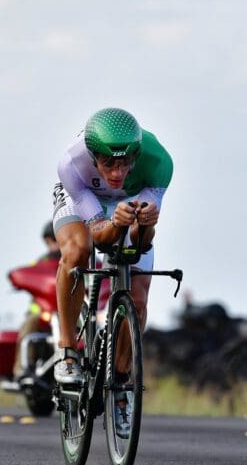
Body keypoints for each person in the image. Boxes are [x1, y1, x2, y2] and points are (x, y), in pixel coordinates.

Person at [52, 107, 172, 436]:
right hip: (84, 200)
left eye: (125, 163)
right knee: (78, 252)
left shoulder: (159, 162)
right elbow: (99, 234)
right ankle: (67, 352)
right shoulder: (72, 163)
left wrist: (142, 225)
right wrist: (114, 222)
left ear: (136, 155)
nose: (118, 172)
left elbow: (141, 243)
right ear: (93, 156)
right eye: (108, 163)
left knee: (139, 297)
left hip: (130, 203)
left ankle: (121, 385)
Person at [12, 221, 61, 378]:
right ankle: (22, 370)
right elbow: (26, 276)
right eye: (49, 241)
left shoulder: (84, 260)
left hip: (77, 315)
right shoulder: (39, 264)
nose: (53, 245)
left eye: (56, 239)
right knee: (28, 325)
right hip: (43, 315)